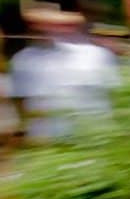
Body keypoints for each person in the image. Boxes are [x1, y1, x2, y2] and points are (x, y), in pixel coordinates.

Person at [10, 9, 121, 142]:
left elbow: (117, 97)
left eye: (58, 25)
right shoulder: (23, 59)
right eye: (42, 25)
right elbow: (21, 101)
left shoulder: (97, 56)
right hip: (47, 142)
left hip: (93, 138)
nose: (50, 31)